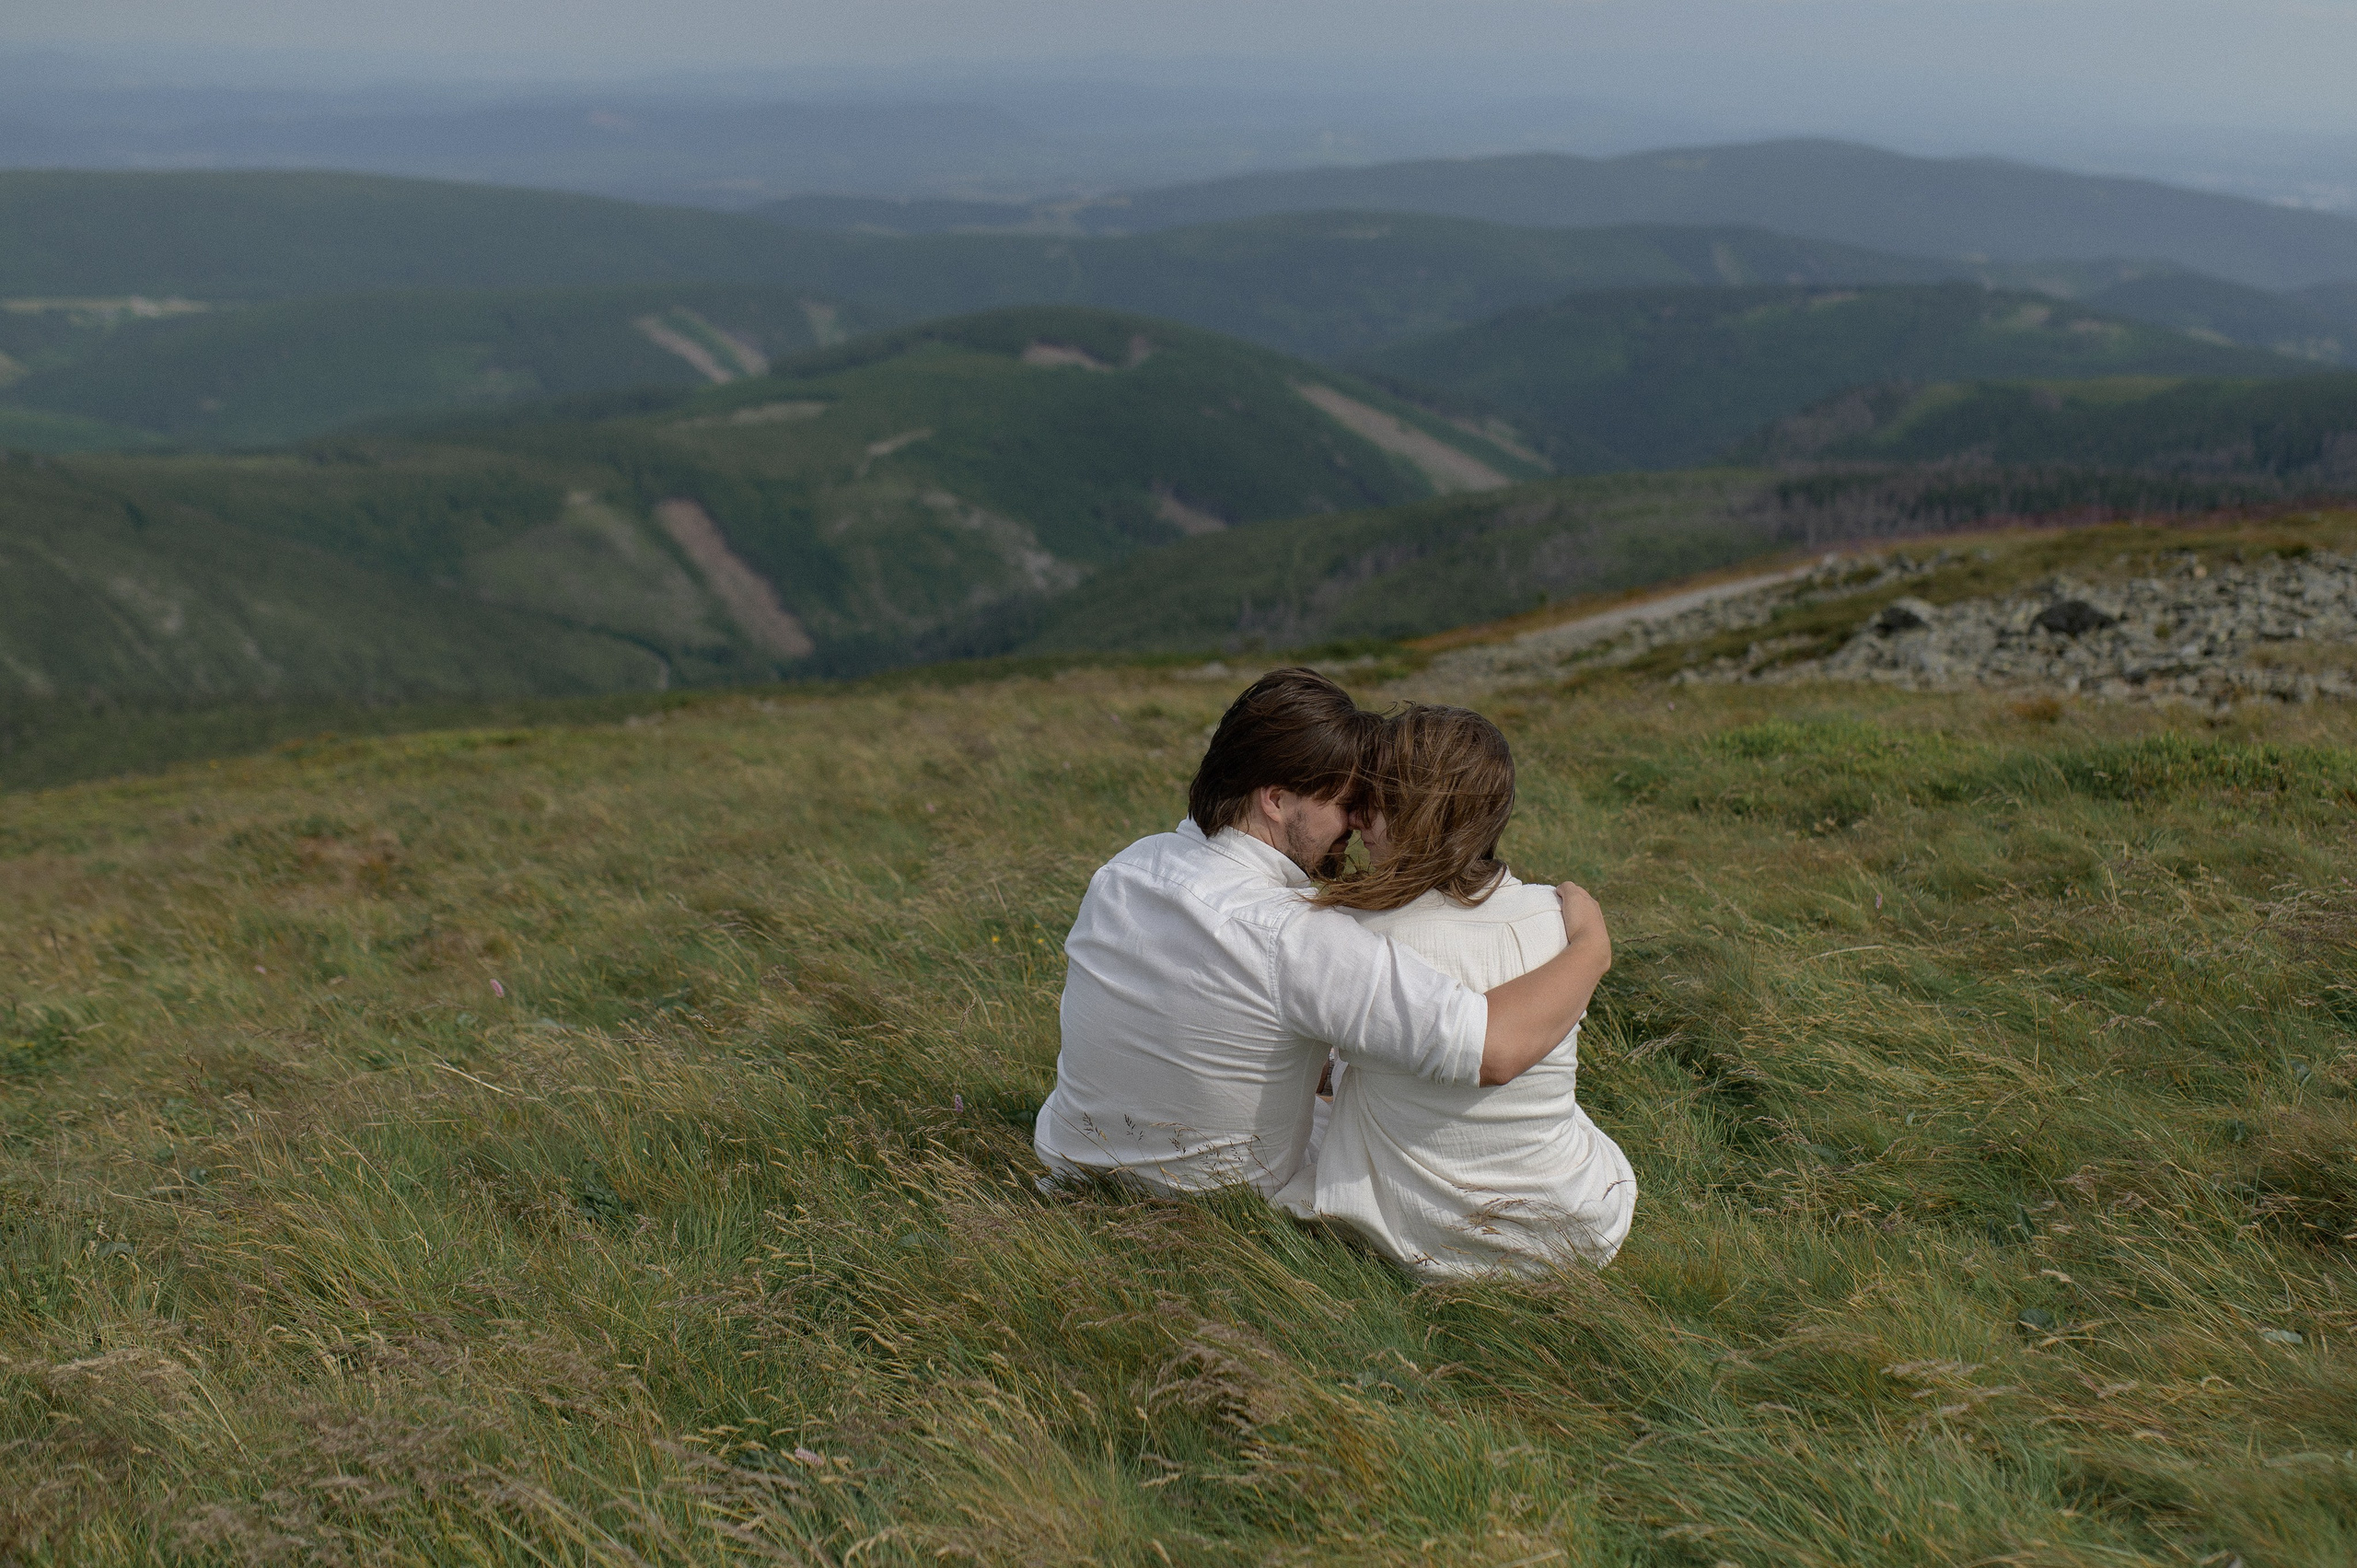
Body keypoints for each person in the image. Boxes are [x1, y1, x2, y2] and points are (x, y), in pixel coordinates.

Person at [1034, 668, 1613, 1198]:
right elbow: (1492, 1051)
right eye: (1345, 801)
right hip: (1210, 1199)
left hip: (1073, 1164)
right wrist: (1590, 947)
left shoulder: (1124, 870)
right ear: (1276, 799)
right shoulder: (1295, 935)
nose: (1355, 824)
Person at [1273, 703, 1635, 1275]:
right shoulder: (1558, 918)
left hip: (1419, 1234)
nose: (1356, 820)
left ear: (1418, 812)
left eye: (1375, 800)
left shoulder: (1350, 935)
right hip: (1572, 1227)